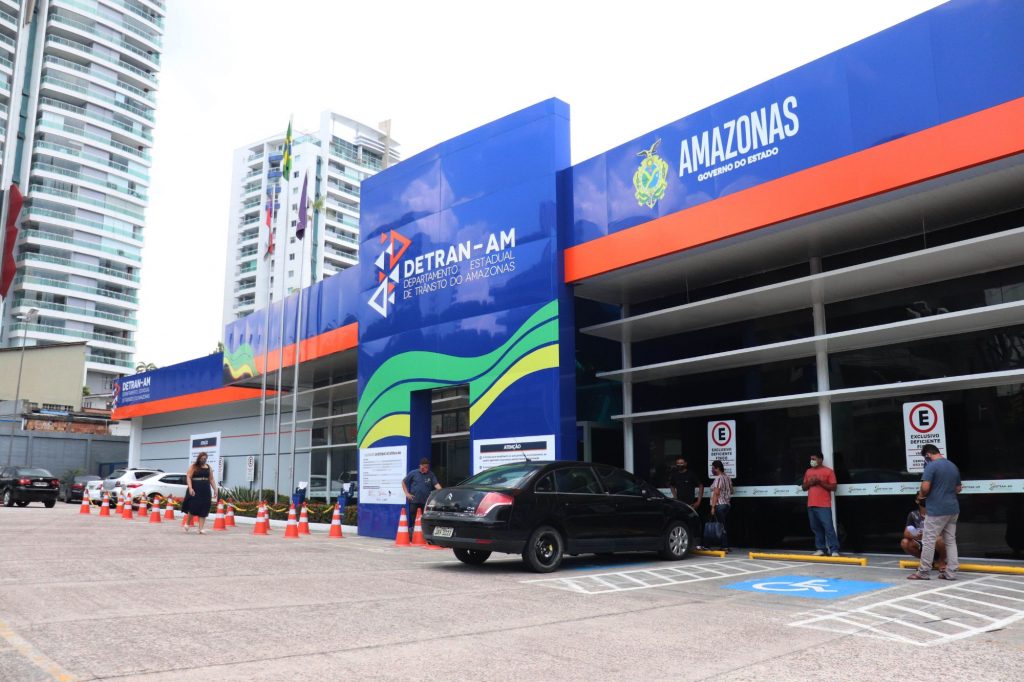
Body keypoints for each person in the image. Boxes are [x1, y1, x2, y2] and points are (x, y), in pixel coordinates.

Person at [909, 443, 961, 581]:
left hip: (937, 509)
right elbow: (958, 489)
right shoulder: (952, 466)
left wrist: (921, 495)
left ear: (927, 455)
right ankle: (951, 572)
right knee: (950, 541)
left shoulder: (931, 466)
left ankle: (923, 572)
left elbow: (925, 487)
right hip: (953, 508)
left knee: (928, 540)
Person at [802, 452, 840, 557]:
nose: (812, 461)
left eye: (814, 459)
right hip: (811, 504)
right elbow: (804, 487)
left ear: (820, 460)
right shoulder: (808, 471)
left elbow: (834, 487)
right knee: (816, 528)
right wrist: (810, 483)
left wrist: (819, 482)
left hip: (824, 505)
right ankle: (821, 549)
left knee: (828, 528)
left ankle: (834, 550)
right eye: (811, 459)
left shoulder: (828, 471)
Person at [900, 496, 947, 571]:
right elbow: (906, 533)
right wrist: (915, 535)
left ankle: (941, 561)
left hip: (935, 542)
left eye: (926, 496)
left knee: (940, 540)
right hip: (922, 542)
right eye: (922, 496)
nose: (925, 499)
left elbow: (944, 532)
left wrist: (928, 534)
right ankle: (926, 562)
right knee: (905, 542)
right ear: (917, 500)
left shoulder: (937, 513)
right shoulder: (913, 514)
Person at [402, 458, 441, 540]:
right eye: (425, 467)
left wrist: (442, 492)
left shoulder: (431, 474)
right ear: (420, 466)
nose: (426, 469)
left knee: (424, 519)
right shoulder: (413, 473)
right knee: (414, 519)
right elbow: (403, 482)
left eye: (427, 467)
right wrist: (407, 494)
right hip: (414, 501)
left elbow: (436, 485)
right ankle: (413, 536)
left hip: (425, 502)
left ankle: (423, 537)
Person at [183, 452, 217, 534]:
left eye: (205, 459)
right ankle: (187, 523)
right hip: (195, 488)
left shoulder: (208, 467)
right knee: (193, 507)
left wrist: (215, 489)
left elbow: (211, 479)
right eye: (202, 458)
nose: (203, 460)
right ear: (199, 458)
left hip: (205, 489)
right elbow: (188, 477)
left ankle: (201, 529)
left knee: (204, 507)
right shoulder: (193, 466)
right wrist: (190, 488)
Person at [708, 460, 733, 553]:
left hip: (719, 505)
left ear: (717, 468)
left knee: (720, 526)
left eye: (713, 468)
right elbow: (732, 491)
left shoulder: (718, 478)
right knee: (723, 525)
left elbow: (716, 493)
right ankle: (725, 545)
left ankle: (724, 546)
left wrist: (713, 507)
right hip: (726, 504)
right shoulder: (728, 477)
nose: (712, 470)